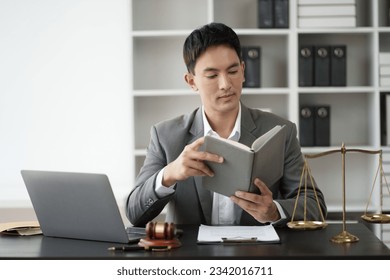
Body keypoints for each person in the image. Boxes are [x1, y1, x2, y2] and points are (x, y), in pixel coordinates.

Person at [126, 22, 327, 227]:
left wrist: (275, 211)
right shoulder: (165, 136)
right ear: (191, 82)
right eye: (212, 75)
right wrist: (169, 174)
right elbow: (134, 212)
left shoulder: (281, 132)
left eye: (232, 71)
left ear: (243, 70)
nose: (225, 84)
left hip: (257, 255)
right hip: (191, 258)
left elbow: (315, 206)